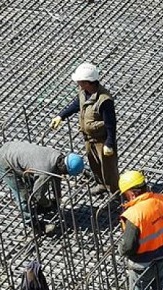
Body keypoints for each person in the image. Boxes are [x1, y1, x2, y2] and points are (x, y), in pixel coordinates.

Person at [50, 63, 119, 195]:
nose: (78, 83)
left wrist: (109, 143)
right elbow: (77, 105)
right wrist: (61, 116)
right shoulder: (84, 92)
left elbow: (111, 123)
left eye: (80, 81)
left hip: (102, 140)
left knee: (108, 168)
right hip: (89, 138)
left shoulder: (104, 100)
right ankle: (101, 185)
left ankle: (114, 192)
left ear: (88, 82)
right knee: (94, 165)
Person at [0, 140, 84, 236]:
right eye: (67, 173)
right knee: (23, 195)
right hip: (5, 162)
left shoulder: (57, 156)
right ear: (65, 168)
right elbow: (38, 195)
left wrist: (58, 197)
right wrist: (48, 204)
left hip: (12, 148)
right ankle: (34, 224)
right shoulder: (45, 173)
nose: (66, 175)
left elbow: (56, 176)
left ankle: (38, 208)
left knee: (33, 185)